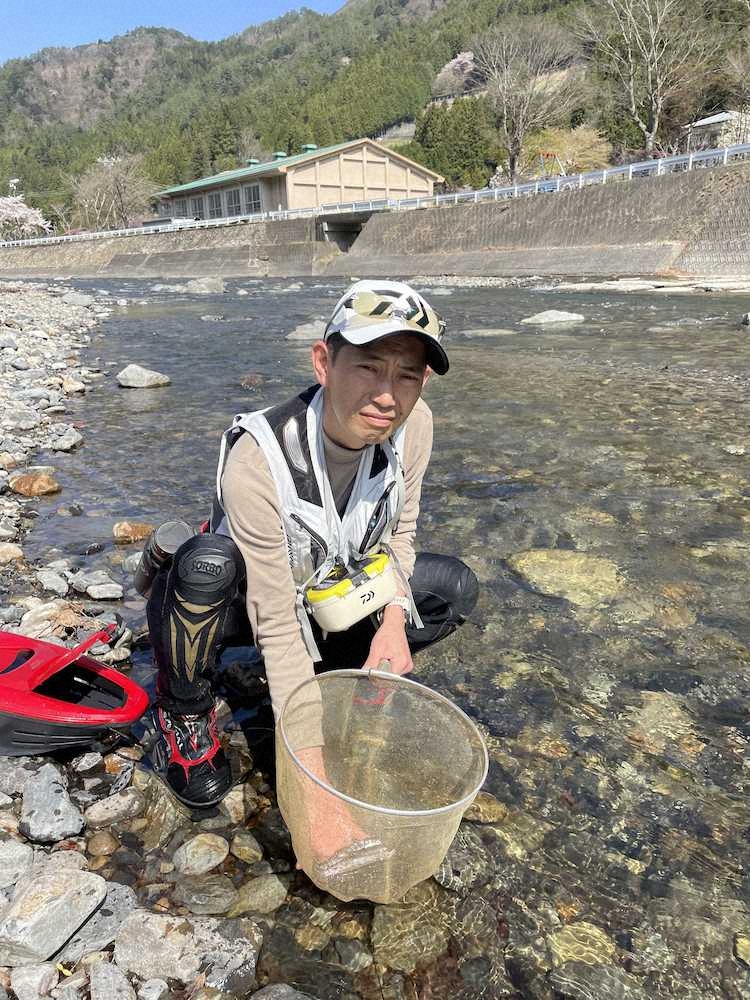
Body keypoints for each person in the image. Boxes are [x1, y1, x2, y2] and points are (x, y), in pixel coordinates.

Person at [143, 280, 479, 817]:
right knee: (206, 561)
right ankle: (182, 715)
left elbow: (402, 534)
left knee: (452, 589)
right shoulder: (258, 457)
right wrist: (317, 787)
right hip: (250, 604)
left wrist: (393, 622)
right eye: (368, 367)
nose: (387, 395)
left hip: (329, 586)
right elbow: (275, 621)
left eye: (407, 375)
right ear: (323, 362)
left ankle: (332, 669)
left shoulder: (416, 427)